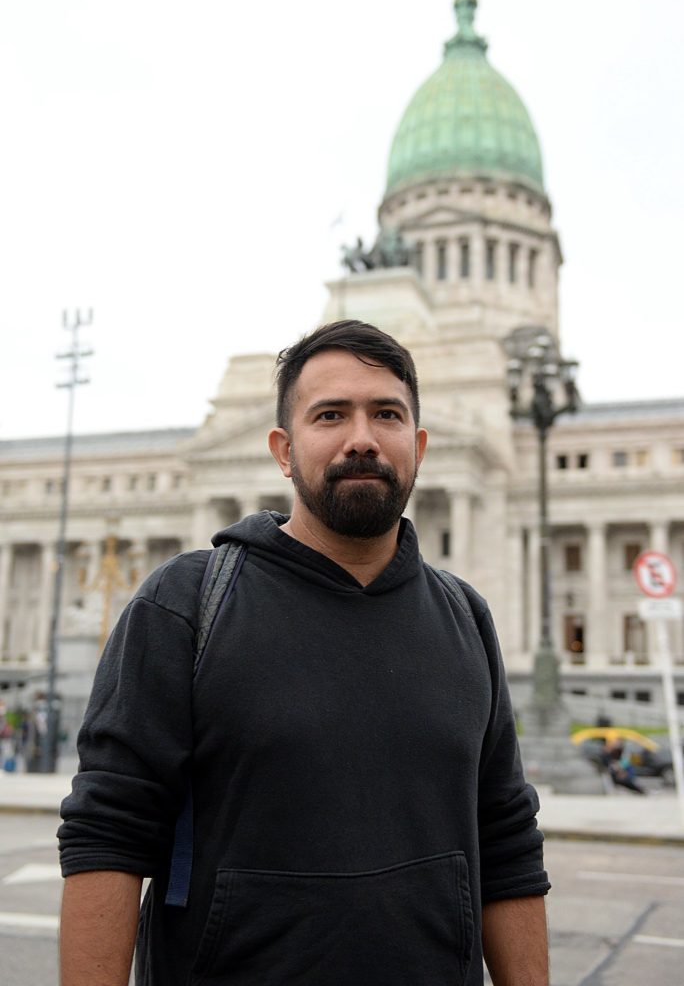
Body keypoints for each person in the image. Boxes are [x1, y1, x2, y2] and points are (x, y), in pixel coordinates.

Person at [58, 320, 550, 985]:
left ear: (419, 445)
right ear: (283, 451)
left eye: (387, 414)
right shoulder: (187, 603)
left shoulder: (465, 616)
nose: (362, 439)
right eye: (330, 415)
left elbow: (506, 839)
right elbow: (108, 833)